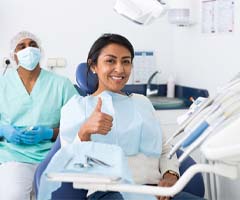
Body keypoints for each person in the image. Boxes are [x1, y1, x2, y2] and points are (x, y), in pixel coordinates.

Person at [38, 34, 204, 200]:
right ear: (93, 65)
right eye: (110, 61)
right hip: (108, 193)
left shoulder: (142, 103)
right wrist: (84, 133)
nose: (120, 68)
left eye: (126, 61)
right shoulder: (76, 108)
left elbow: (165, 148)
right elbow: (68, 166)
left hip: (158, 192)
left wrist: (170, 174)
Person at [0, 31, 78, 200]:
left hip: (53, 155)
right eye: (22, 46)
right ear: (14, 55)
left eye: (33, 45)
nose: (29, 49)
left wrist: (50, 133)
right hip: (14, 156)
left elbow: (78, 126)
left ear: (40, 51)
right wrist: (3, 131)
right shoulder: (2, 85)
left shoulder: (61, 85)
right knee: (13, 195)